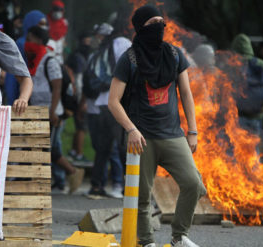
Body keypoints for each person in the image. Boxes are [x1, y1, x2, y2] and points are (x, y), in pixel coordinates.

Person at [108, 5, 207, 247]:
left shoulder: (174, 55)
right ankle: (147, 241)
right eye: (153, 23)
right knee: (142, 195)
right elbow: (113, 101)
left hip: (173, 134)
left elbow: (186, 93)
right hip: (141, 138)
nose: (159, 27)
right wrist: (131, 130)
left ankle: (179, 236)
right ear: (141, 28)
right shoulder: (129, 59)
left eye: (162, 22)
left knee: (194, 184)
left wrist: (192, 130)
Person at [24, 25, 84, 194]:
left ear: (39, 40)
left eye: (31, 38)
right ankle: (71, 173)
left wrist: (52, 112)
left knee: (45, 149)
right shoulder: (35, 60)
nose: (28, 42)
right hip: (38, 111)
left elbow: (57, 87)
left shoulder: (50, 61)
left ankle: (49, 180)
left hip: (51, 113)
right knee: (47, 148)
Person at [85, 23, 129, 199]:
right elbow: (130, 68)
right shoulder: (121, 43)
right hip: (118, 102)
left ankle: (97, 186)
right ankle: (129, 187)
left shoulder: (100, 52)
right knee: (123, 146)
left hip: (103, 102)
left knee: (103, 148)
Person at [231, 34, 263, 138]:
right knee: (253, 146)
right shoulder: (260, 63)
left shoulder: (232, 64)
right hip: (257, 113)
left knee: (237, 146)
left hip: (237, 114)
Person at [4, 10, 47, 106]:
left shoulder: (44, 44)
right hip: (22, 92)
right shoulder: (21, 44)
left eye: (44, 24)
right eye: (40, 24)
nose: (43, 27)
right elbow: (13, 74)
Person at [65, 32, 93, 165]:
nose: (87, 45)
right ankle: (79, 153)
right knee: (82, 126)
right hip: (79, 96)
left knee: (79, 125)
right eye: (86, 42)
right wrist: (83, 100)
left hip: (76, 95)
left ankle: (74, 151)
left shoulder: (75, 55)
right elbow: (80, 80)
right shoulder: (80, 58)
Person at [47, 0, 68, 65]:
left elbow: (63, 40)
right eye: (56, 9)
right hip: (47, 55)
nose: (57, 12)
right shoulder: (45, 20)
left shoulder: (64, 23)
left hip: (59, 57)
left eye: (60, 10)